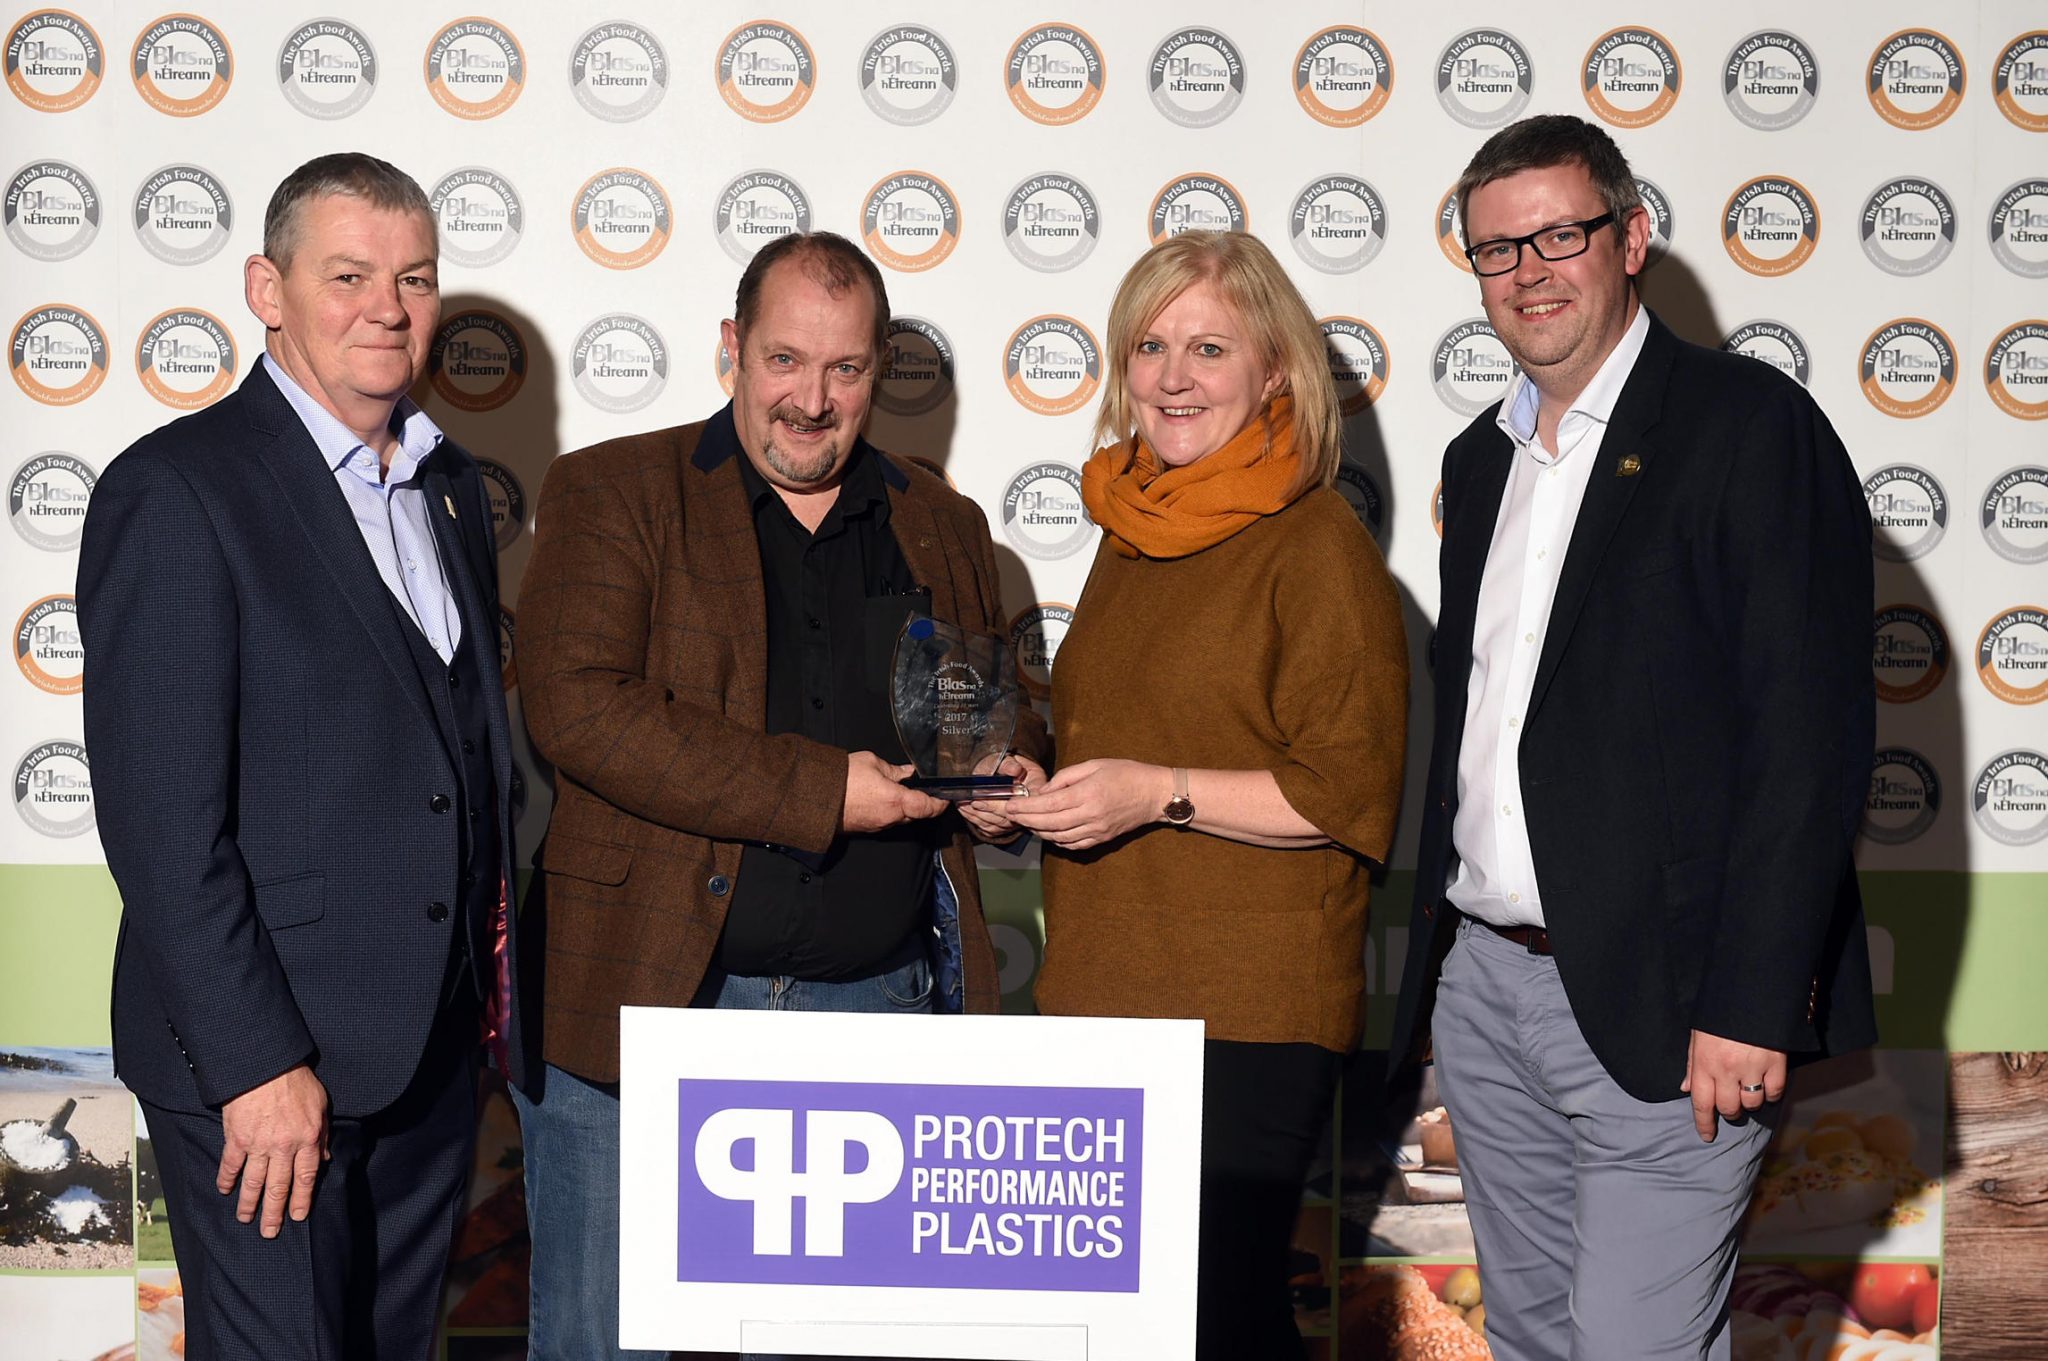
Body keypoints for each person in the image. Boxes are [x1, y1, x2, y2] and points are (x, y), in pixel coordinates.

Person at [1386, 115, 1876, 1360]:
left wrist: (1751, 1000)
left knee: (1630, 1345)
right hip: (1486, 986)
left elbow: (1805, 737)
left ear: (1630, 235)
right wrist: (1444, 983)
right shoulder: (1478, 460)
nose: (1528, 272)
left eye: (1559, 235)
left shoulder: (1747, 427)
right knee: (1531, 1337)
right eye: (1496, 250)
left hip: (1674, 997)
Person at [513, 230, 1050, 1360]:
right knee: (605, 1342)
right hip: (646, 999)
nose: (811, 401)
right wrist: (821, 791)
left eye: (845, 368)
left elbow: (989, 704)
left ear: (878, 368)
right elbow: (576, 707)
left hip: (874, 1011)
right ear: (733, 347)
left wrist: (1007, 772)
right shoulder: (614, 489)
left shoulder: (940, 520)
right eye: (785, 360)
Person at [78, 153, 524, 1360]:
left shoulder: (447, 486)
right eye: (348, 276)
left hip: (429, 1056)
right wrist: (256, 1063)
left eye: (414, 278)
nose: (389, 307)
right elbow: (162, 828)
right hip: (266, 1065)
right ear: (266, 290)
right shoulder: (177, 489)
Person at [995, 230, 1410, 1359]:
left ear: (1274, 371)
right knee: (1121, 1332)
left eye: (1209, 347)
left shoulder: (1314, 545)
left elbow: (1348, 794)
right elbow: (1134, 732)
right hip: (1100, 988)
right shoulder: (1134, 529)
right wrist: (1033, 781)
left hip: (1245, 1011)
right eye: (1149, 345)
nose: (1172, 376)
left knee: (1214, 1321)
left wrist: (1155, 794)